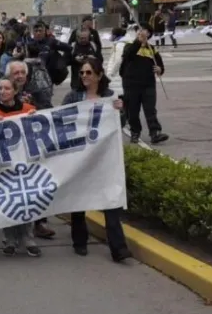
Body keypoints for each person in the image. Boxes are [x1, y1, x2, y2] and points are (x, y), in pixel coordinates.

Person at [62, 57, 133, 262]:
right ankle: (79, 241)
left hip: (103, 158)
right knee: (78, 200)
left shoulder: (109, 97)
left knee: (110, 202)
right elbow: (59, 121)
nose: (84, 76)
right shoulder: (73, 97)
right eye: (82, 73)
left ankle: (119, 248)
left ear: (99, 75)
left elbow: (118, 126)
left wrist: (120, 111)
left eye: (89, 73)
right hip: (79, 158)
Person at [0, 77, 40, 257]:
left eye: (7, 88)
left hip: (25, 162)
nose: (2, 91)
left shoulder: (28, 110)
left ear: (15, 91)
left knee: (26, 199)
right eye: (0, 88)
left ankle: (28, 238)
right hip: (4, 164)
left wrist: (36, 119)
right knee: (7, 200)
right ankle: (9, 238)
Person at [119, 24, 169, 145]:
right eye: (140, 30)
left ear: (149, 35)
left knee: (150, 110)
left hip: (148, 84)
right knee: (133, 110)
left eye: (145, 31)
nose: (142, 32)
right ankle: (135, 132)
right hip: (131, 84)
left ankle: (155, 133)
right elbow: (128, 56)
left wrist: (160, 69)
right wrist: (138, 42)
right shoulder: (129, 46)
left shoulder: (152, 49)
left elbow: (160, 65)